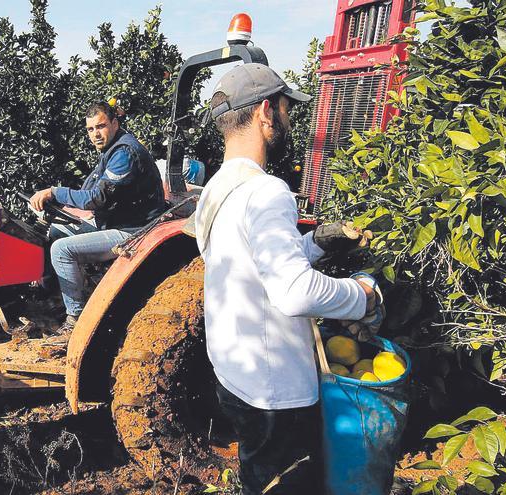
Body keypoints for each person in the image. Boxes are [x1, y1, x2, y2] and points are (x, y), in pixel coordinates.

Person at [194, 63, 384, 494]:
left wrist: (316, 242)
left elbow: (252, 265)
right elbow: (293, 291)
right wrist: (363, 295)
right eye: (285, 109)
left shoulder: (216, 190)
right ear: (265, 112)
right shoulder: (267, 191)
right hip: (277, 393)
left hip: (236, 375)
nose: (288, 119)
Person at [29, 101, 166, 337]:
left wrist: (54, 192)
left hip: (134, 230)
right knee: (55, 232)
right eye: (91, 129)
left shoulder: (125, 153)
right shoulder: (111, 150)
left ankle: (75, 321)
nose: (96, 134)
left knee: (61, 250)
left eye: (101, 126)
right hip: (116, 221)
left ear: (114, 123)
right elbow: (89, 187)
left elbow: (96, 198)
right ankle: (51, 301)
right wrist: (59, 201)